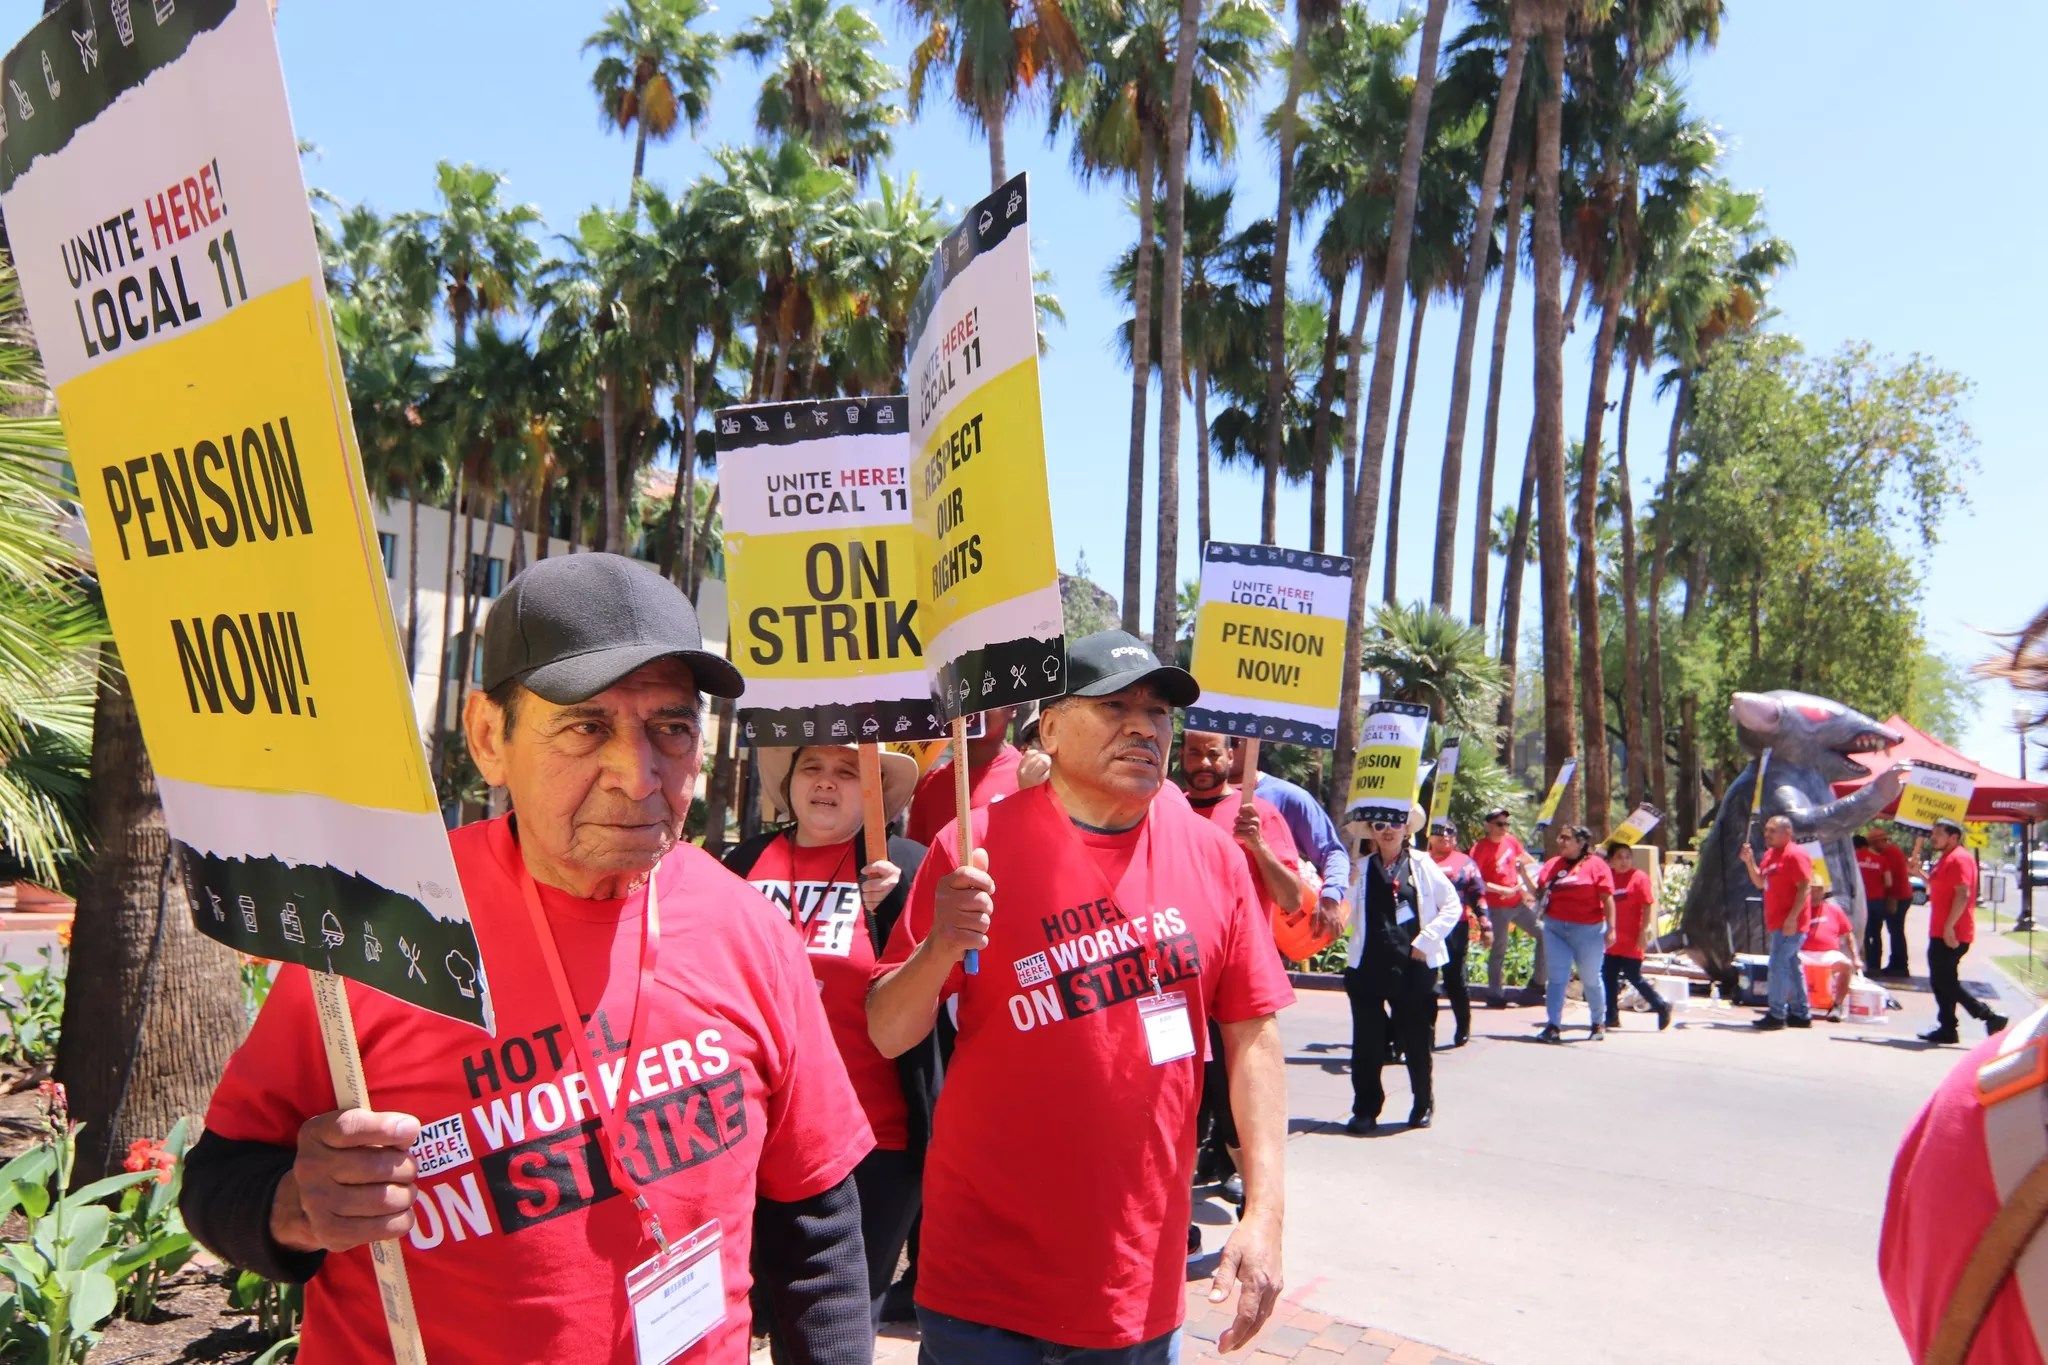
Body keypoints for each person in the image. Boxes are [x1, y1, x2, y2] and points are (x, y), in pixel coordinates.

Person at [179, 553, 874, 1365]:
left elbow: (816, 1230)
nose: (637, 774)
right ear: (488, 737)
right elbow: (218, 1179)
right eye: (586, 726)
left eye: (671, 728)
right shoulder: (384, 923)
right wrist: (295, 1206)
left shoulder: (750, 928)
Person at [867, 630, 1293, 1362]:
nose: (1145, 725)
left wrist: (1266, 1214)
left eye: (1159, 711)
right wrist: (941, 941)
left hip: (1134, 1287)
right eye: (1116, 704)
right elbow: (887, 1030)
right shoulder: (973, 847)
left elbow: (1252, 1036)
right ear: (1053, 728)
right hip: (982, 1283)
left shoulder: (1215, 857)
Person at [720, 742, 935, 1333]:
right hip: (755, 1138)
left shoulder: (907, 866)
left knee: (833, 1328)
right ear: (789, 783)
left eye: (848, 772)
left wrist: (892, 909)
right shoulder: (743, 862)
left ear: (874, 796)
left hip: (874, 1143)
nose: (826, 783)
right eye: (812, 767)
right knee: (751, 1312)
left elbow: (939, 983)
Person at [1344, 810, 1463, 1132]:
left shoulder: (1423, 864)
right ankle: (1366, 1109)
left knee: (1415, 1042)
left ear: (1407, 828)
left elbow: (1452, 905)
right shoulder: (1362, 868)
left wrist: (1427, 940)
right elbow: (1343, 915)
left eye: (1394, 823)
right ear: (1370, 830)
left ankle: (1423, 1103)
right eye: (1378, 825)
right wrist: (1345, 886)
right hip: (1368, 966)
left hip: (1413, 967)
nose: (1387, 831)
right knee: (1367, 1044)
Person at [1228, 745, 1351, 937]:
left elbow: (1332, 851)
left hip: (1274, 939)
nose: (1228, 745)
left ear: (1251, 742)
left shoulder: (1288, 797)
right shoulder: (1189, 802)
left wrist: (1331, 897)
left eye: (1234, 741)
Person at [1920, 816, 2010, 1045]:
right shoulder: (1945, 859)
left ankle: (1988, 1015)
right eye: (1933, 834)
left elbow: (1963, 894)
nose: (1933, 838)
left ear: (1954, 837)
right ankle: (1948, 1028)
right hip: (1940, 929)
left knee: (1944, 980)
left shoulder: (1959, 859)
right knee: (1941, 980)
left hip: (1952, 932)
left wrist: (1950, 927)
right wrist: (1918, 874)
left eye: (1938, 834)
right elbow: (1937, 886)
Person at [1523, 825, 1616, 1043]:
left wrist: (1612, 929)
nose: (1560, 841)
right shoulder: (1552, 865)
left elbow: (1607, 899)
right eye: (1560, 837)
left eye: (1566, 838)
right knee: (1557, 978)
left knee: (1590, 978)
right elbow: (1540, 892)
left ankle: (1598, 1023)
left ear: (1581, 843)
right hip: (1555, 928)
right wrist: (1521, 876)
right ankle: (1553, 1025)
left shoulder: (1596, 866)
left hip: (1589, 930)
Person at [903, 703, 1023, 846]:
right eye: (963, 697)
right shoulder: (930, 786)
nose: (973, 706)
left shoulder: (1026, 780)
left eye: (985, 695)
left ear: (1012, 709)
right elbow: (917, 862)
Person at [1738, 813, 1815, 1032]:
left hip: (1791, 923)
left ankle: (1776, 1013)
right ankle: (1801, 1013)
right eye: (1766, 830)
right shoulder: (1771, 855)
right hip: (1778, 921)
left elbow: (1804, 887)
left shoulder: (1795, 855)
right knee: (1790, 965)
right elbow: (1760, 882)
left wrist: (1792, 917)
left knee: (1778, 964)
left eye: (1773, 830)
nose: (1767, 834)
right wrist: (1749, 861)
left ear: (1787, 832)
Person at [1472, 807, 1542, 1005]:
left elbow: (1525, 859)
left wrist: (1532, 874)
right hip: (1497, 907)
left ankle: (1537, 984)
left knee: (1544, 934)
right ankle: (1495, 994)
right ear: (1488, 826)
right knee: (1499, 950)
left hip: (1518, 903)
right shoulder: (1480, 849)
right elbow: (1477, 881)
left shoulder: (1510, 841)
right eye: (1499, 824)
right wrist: (1501, 890)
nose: (1504, 828)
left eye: (1506, 824)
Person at [1600, 843, 1672, 1032]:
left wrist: (1644, 932)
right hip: (1613, 938)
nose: (1624, 861)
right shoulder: (1608, 878)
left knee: (1633, 976)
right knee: (1609, 976)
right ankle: (1612, 1016)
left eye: (1627, 857)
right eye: (1619, 857)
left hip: (1633, 938)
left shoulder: (1639, 878)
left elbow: (1648, 905)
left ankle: (1661, 1006)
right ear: (1611, 861)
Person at [1426, 818, 1485, 1048]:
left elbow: (1477, 894)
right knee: (1427, 982)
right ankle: (1426, 1034)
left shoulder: (1465, 862)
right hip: (1427, 927)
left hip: (1455, 927)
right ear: (1430, 837)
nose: (1445, 837)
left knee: (1455, 980)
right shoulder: (1422, 860)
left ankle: (1463, 1027)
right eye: (1439, 833)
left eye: (1450, 833)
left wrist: (1485, 923)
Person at [1799, 894, 1861, 1023]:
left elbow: (1849, 936)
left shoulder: (1834, 910)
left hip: (1828, 953)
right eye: (1812, 890)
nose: (1815, 893)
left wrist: (1856, 958)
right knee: (1788, 963)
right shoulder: (1799, 908)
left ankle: (1837, 1006)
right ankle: (1794, 1005)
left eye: (1819, 890)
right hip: (1804, 952)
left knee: (1846, 965)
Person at [1864, 823, 1915, 978]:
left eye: (1873, 844)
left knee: (1896, 931)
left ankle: (1900, 965)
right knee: (1895, 931)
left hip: (1897, 897)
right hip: (1899, 896)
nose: (1872, 847)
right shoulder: (1891, 852)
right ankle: (1896, 963)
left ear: (1880, 842)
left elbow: (1888, 878)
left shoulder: (1890, 853)